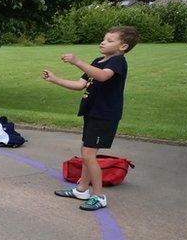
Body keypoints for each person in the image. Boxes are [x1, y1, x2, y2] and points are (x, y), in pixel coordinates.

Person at [43, 26, 138, 211]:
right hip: (92, 112)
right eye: (104, 38)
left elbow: (102, 76)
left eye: (110, 40)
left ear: (123, 46)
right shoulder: (98, 61)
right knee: (87, 153)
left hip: (105, 115)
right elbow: (80, 84)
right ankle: (82, 190)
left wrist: (76, 61)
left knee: (88, 154)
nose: (103, 42)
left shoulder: (118, 61)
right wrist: (55, 79)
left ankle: (98, 196)